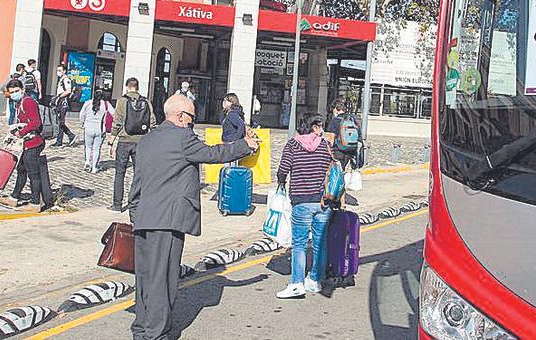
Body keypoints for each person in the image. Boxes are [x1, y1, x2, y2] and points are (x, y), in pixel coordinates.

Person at [128, 94, 259, 340]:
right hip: (167, 221)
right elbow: (213, 153)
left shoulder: (146, 140)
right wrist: (246, 145)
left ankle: (142, 328)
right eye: (191, 118)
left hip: (145, 218)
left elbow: (137, 184)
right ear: (180, 116)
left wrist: (135, 214)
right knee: (163, 280)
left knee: (145, 279)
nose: (192, 123)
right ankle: (156, 334)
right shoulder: (182, 137)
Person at [274, 113, 337, 299]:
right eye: (319, 126)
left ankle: (296, 283)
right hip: (323, 202)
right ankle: (315, 280)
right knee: (319, 242)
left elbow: (282, 170)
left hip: (301, 201)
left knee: (299, 244)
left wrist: (281, 184)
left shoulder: (293, 145)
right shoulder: (326, 145)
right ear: (314, 127)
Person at [0, 78, 55, 212]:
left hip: (34, 143)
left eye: (16, 91)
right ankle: (14, 198)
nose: (13, 94)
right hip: (27, 142)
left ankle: (36, 203)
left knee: (33, 174)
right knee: (21, 169)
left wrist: (22, 132)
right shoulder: (19, 103)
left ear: (22, 90)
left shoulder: (28, 102)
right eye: (11, 92)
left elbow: (36, 123)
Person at [108, 77, 152, 212]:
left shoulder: (122, 101)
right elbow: (153, 122)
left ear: (127, 87)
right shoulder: (146, 102)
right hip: (141, 142)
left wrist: (111, 141)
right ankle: (137, 201)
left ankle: (117, 204)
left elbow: (117, 122)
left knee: (120, 173)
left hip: (124, 141)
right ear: (137, 87)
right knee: (139, 173)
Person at [79, 91, 114, 173]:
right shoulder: (106, 104)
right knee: (96, 148)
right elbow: (114, 114)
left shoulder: (87, 103)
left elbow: (81, 115)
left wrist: (83, 123)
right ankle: (94, 167)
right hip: (100, 129)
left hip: (88, 127)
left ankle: (87, 161)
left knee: (88, 146)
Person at [325, 98, 363, 169]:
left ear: (336, 109)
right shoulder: (352, 119)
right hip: (351, 151)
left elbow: (331, 140)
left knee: (337, 175)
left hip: (338, 152)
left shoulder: (335, 121)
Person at [52, 66, 77, 147]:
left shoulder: (66, 79)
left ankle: (60, 141)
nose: (58, 72)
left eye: (60, 70)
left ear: (64, 71)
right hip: (60, 101)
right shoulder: (61, 79)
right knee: (60, 121)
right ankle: (70, 136)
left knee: (60, 121)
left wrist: (59, 97)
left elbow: (68, 91)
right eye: (57, 70)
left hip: (63, 102)